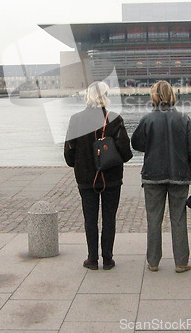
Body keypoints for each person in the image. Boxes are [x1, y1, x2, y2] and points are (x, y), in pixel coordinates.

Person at [131, 80, 191, 273]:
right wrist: (190, 162)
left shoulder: (147, 119)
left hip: (153, 176)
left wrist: (152, 146)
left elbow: (136, 143)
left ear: (154, 96)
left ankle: (153, 261)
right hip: (179, 175)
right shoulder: (184, 119)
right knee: (178, 218)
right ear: (172, 95)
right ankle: (181, 261)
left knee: (153, 218)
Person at [64, 81, 132, 270]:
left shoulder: (76, 120)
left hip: (86, 179)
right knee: (109, 218)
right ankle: (108, 259)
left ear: (87, 96)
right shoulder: (115, 119)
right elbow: (126, 153)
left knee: (90, 219)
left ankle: (92, 258)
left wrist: (79, 164)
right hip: (111, 178)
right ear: (106, 95)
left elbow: (69, 153)